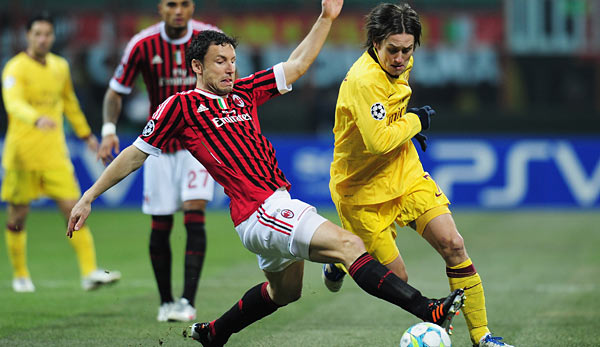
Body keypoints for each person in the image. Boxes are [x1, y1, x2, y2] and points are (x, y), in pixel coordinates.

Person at [68, 1, 465, 345]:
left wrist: (326, 17)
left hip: (272, 208)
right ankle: (427, 309)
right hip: (259, 210)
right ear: (196, 66)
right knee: (348, 245)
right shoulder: (181, 106)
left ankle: (215, 333)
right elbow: (135, 154)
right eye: (219, 62)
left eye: (232, 61)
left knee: (285, 293)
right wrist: (88, 196)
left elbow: (296, 65)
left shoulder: (244, 91)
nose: (229, 68)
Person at [324, 3, 513, 347]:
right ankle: (340, 258)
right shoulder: (364, 81)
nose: (400, 58)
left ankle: (483, 337)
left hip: (404, 172)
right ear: (375, 43)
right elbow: (378, 142)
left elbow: (388, 128)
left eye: (407, 50)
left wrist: (403, 127)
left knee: (453, 244)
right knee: (397, 279)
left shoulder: (403, 62)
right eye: (392, 50)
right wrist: (415, 121)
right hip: (361, 190)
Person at [98, 0, 219, 322]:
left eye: (184, 4)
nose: (178, 10)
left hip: (200, 147)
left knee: (195, 215)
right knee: (161, 224)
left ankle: (187, 302)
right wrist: (109, 130)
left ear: (192, 7)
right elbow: (115, 91)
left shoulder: (210, 39)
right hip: (159, 148)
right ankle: (165, 302)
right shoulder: (142, 44)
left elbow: (231, 86)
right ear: (160, 8)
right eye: (171, 4)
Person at [1, 12, 120, 293]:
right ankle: (20, 274)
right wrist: (35, 118)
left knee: (73, 208)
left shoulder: (60, 66)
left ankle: (90, 272)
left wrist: (88, 136)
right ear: (28, 37)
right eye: (37, 34)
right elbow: (13, 103)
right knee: (18, 215)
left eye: (47, 34)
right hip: (22, 155)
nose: (43, 39)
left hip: (54, 153)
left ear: (53, 36)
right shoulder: (14, 69)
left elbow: (70, 103)